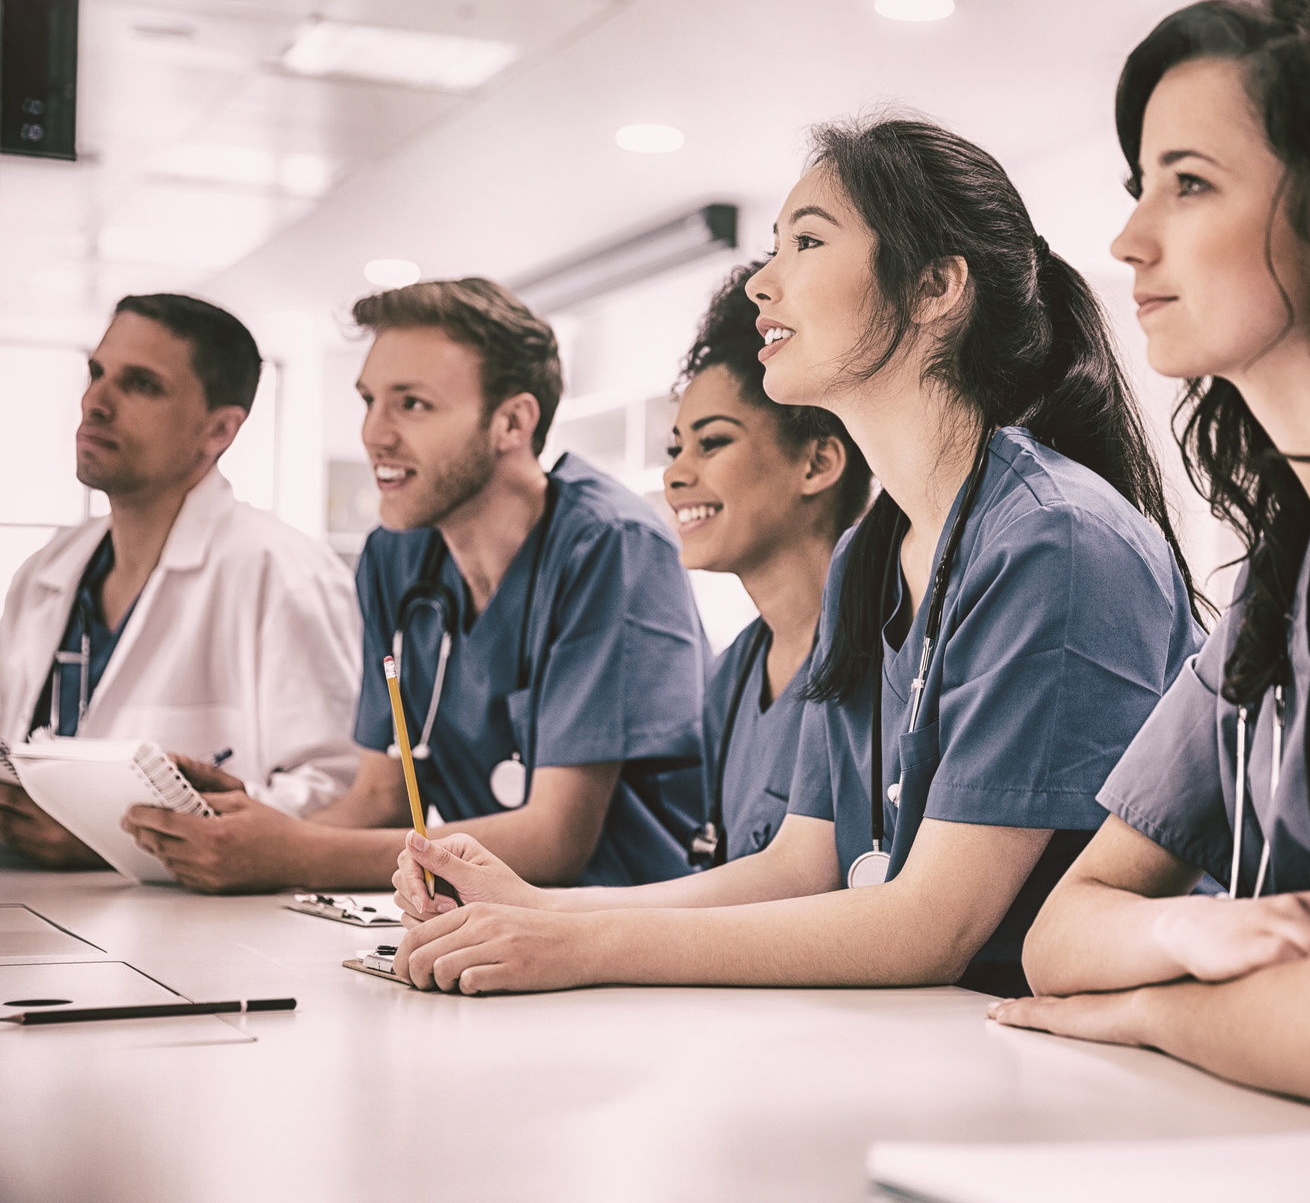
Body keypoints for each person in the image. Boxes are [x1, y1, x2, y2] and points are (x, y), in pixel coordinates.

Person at [384, 117, 1203, 998]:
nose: (764, 285)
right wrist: (538, 910)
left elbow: (928, 928)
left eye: (807, 241)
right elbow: (800, 866)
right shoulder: (870, 553)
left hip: (1063, 1071)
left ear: (935, 287)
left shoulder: (1057, 538)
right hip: (923, 1045)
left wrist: (575, 950)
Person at [991, 0, 1310, 1114]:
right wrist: (1194, 926)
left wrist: (1144, 1006)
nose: (1128, 239)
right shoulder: (1278, 582)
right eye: (1140, 185)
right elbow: (1060, 933)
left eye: (1189, 184)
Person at [122, 278, 708, 892]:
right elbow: (381, 795)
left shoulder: (609, 545)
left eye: (412, 404)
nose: (374, 434)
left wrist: (292, 855)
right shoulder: (396, 554)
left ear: (512, 421)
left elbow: (555, 839)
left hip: (627, 934)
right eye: (369, 400)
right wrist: (245, 839)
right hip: (484, 923)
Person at [0, 294, 359, 868]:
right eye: (97, 373)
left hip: (187, 932)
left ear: (218, 430)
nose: (96, 401)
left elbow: (339, 793)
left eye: (141, 385)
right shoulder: (48, 569)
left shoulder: (283, 572)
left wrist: (105, 833)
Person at [666, 261, 870, 866]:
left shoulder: (878, 658)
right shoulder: (732, 678)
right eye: (675, 448)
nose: (676, 474)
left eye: (713, 442)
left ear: (817, 464)